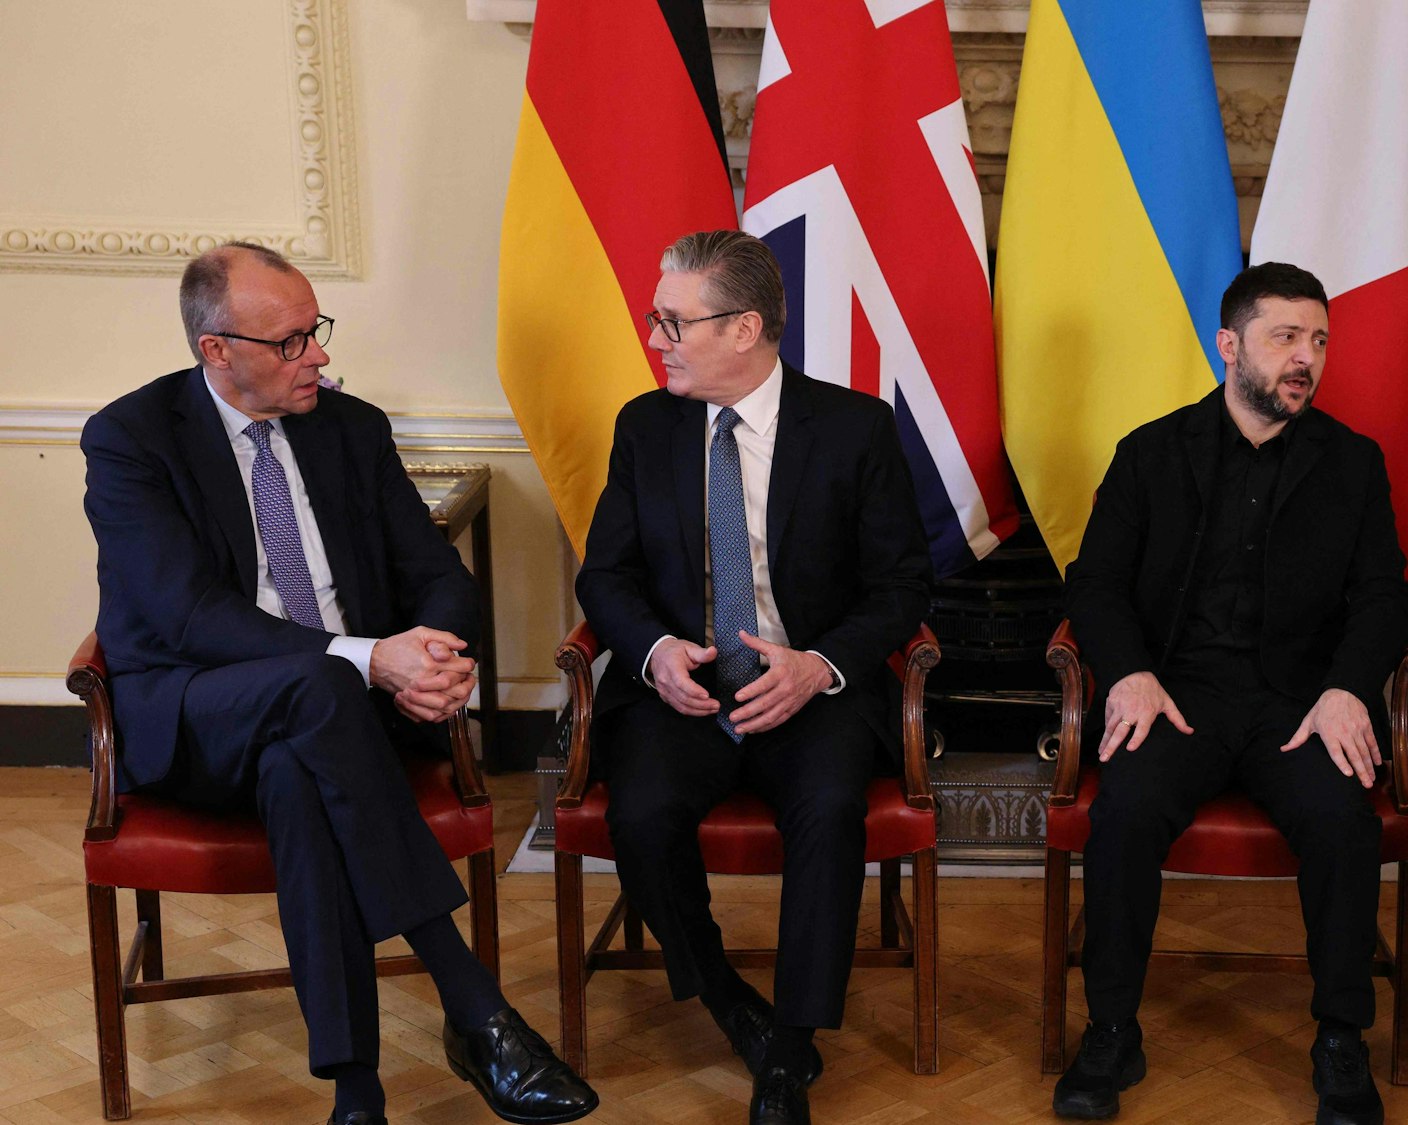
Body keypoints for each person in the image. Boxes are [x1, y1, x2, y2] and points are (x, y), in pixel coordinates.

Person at [80, 243, 597, 1125]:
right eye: (289, 342)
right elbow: (188, 615)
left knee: (299, 767)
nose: (317, 353)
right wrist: (369, 659)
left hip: (326, 727)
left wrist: (432, 655)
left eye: (315, 329)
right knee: (318, 690)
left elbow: (439, 574)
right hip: (199, 711)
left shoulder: (350, 428)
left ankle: (357, 1096)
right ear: (217, 350)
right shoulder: (130, 439)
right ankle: (476, 1008)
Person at [574, 230, 932, 1125]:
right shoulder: (645, 426)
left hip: (809, 683)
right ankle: (732, 997)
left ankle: (794, 1043)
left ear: (744, 329)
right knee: (642, 812)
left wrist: (819, 666)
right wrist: (655, 653)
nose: (654, 337)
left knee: (829, 806)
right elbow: (604, 576)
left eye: (672, 320)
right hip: (683, 685)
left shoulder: (853, 427)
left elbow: (901, 586)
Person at [1055, 262, 1408, 1124]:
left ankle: (1339, 1036)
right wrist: (1131, 674)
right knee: (1126, 812)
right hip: (1177, 697)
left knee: (1341, 820)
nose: (1307, 358)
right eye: (1286, 336)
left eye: (1319, 340)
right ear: (1229, 345)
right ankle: (1111, 1029)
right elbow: (1095, 583)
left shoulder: (1353, 463)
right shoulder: (1150, 451)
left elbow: (1384, 595)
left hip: (1299, 705)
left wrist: (1345, 690)